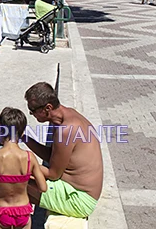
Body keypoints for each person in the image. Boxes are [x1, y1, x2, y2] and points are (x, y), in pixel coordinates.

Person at [22, 82, 102, 220]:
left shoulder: (66, 130)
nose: (31, 114)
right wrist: (21, 137)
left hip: (79, 199)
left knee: (11, 179)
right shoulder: (66, 116)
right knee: (16, 188)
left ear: (48, 108)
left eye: (33, 110)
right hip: (76, 190)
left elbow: (53, 174)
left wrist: (21, 161)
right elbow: (52, 156)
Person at [0, 107, 47, 229]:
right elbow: (43, 188)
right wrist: (22, 179)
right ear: (22, 133)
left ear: (0, 130)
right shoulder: (29, 157)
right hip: (23, 211)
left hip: (1, 211)